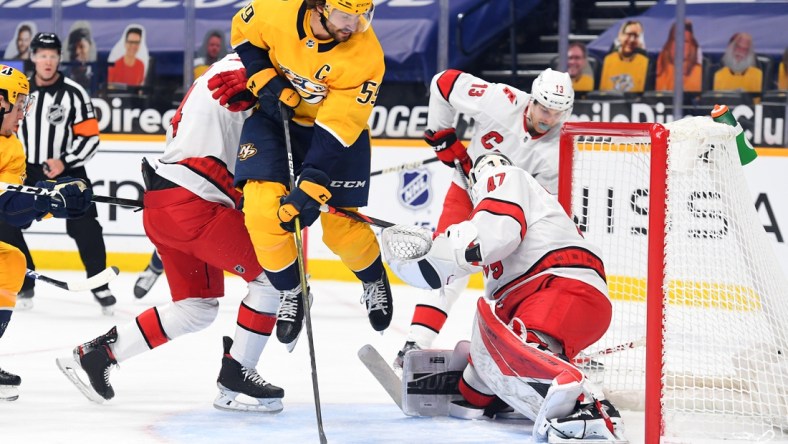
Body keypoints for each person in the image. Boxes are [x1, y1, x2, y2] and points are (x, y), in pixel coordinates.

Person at [58, 54, 287, 412]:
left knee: (195, 309)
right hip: (196, 203)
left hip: (170, 202)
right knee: (274, 278)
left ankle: (99, 354)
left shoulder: (232, 67)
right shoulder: (247, 69)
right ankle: (238, 374)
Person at [383, 152, 624, 442]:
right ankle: (505, 393)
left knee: (525, 347)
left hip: (561, 289)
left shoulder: (506, 178)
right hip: (543, 301)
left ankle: (591, 409)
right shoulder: (517, 199)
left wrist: (437, 256)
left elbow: (494, 234)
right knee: (476, 386)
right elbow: (464, 257)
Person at [224, 0, 392, 343]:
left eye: (362, 17)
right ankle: (292, 291)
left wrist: (312, 181)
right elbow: (243, 31)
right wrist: (262, 76)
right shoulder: (277, 9)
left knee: (340, 229)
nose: (354, 26)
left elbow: (339, 126)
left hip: (333, 133)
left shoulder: (366, 55)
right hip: (275, 118)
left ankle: (373, 277)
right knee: (260, 212)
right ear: (320, 7)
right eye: (346, 16)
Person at [392, 68, 574, 368]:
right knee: (444, 262)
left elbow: (543, 203)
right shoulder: (500, 100)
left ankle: (514, 355)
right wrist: (442, 134)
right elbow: (444, 82)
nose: (548, 118)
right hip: (466, 190)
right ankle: (416, 341)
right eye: (544, 108)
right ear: (533, 99)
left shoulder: (558, 152)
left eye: (557, 113)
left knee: (511, 283)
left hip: (509, 216)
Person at [0, 33, 116, 314]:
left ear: (59, 58)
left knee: (85, 219)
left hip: (67, 166)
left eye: (52, 55)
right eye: (42, 55)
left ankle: (99, 281)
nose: (47, 61)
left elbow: (90, 138)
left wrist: (65, 161)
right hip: (25, 166)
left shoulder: (74, 92)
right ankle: (24, 280)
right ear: (34, 57)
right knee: (7, 223)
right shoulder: (17, 89)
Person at [0, 64, 94, 401]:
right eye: (19, 101)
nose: (23, 110)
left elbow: (10, 210)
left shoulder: (11, 147)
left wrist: (52, 200)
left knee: (10, 260)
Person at [599, 20, 650, 93]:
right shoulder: (608, 60)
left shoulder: (645, 63)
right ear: (620, 35)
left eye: (636, 36)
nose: (632, 39)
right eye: (629, 34)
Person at [655, 19, 702, 93]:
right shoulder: (658, 67)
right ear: (669, 43)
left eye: (685, 41)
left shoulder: (699, 72)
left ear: (691, 47)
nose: (680, 46)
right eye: (676, 40)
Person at [62, 23, 97, 92]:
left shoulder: (99, 76)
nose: (77, 52)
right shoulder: (61, 77)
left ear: (90, 47)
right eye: (73, 47)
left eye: (81, 46)